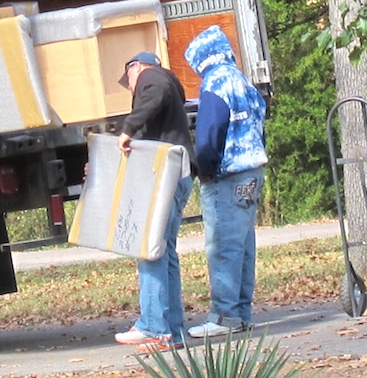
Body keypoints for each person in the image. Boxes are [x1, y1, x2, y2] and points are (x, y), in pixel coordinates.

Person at [183, 25, 268, 338]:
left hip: (227, 175)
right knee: (243, 244)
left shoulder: (215, 84)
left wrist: (204, 169)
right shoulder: (242, 81)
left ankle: (224, 316)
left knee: (221, 245)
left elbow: (208, 136)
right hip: (252, 171)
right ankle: (242, 312)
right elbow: (261, 121)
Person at [112, 51, 196, 353]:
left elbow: (154, 93)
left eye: (130, 80)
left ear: (136, 68)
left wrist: (127, 129)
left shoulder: (153, 77)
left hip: (167, 175)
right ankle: (173, 332)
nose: (132, 88)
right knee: (165, 252)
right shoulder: (169, 85)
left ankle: (153, 326)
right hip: (180, 175)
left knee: (149, 248)